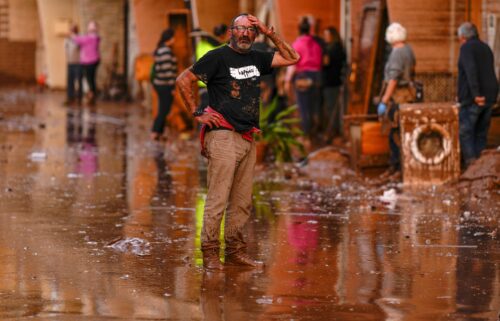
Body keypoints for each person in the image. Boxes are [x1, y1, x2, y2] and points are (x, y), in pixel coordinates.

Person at [176, 13, 299, 270]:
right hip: (222, 135)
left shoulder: (257, 58)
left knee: (242, 201)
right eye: (240, 29)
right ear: (231, 31)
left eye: (250, 30)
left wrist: (270, 33)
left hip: (247, 136)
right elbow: (183, 79)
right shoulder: (217, 57)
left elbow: (292, 58)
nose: (244, 34)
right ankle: (210, 253)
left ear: (254, 35)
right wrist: (197, 113)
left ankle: (235, 251)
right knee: (218, 198)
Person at [456, 22, 498, 168]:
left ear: (462, 37)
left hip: (475, 98)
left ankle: (471, 166)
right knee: (481, 133)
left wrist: (476, 94)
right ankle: (481, 167)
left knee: (466, 132)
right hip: (490, 96)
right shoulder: (485, 47)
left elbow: (471, 71)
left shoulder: (466, 48)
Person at [376, 22, 416, 177]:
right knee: (403, 132)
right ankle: (399, 167)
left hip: (399, 97)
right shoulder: (408, 50)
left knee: (395, 133)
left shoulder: (397, 53)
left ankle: (397, 167)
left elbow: (393, 79)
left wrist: (384, 101)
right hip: (409, 95)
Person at [285, 17, 323, 143]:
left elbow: (293, 65)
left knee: (304, 108)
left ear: (299, 30)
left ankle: (306, 137)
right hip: (317, 77)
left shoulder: (297, 44)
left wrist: (287, 81)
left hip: (303, 78)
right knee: (315, 108)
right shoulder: (317, 45)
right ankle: (314, 135)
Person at [150, 28, 178, 141]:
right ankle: (155, 131)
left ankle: (159, 132)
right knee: (164, 109)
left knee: (164, 109)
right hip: (164, 85)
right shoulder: (165, 51)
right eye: (173, 37)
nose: (175, 40)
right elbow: (168, 71)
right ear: (169, 39)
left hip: (159, 83)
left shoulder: (161, 49)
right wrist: (172, 87)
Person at [322, 26, 346, 142]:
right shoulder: (339, 47)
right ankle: (334, 132)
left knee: (331, 108)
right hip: (335, 81)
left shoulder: (331, 49)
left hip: (331, 82)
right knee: (333, 108)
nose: (325, 37)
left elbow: (325, 62)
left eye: (326, 35)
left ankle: (334, 133)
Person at [72, 21, 100, 106]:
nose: (90, 30)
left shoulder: (92, 38)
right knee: (90, 78)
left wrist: (73, 34)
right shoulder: (91, 37)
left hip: (91, 61)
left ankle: (92, 94)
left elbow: (78, 39)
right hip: (89, 61)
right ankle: (91, 94)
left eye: (92, 28)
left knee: (90, 78)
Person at [64, 24, 82, 106]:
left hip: (78, 62)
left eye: (74, 30)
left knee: (78, 80)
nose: (72, 32)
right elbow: (65, 49)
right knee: (70, 80)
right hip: (70, 62)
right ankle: (70, 96)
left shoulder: (79, 39)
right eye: (71, 30)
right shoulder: (67, 40)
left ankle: (79, 96)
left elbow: (81, 48)